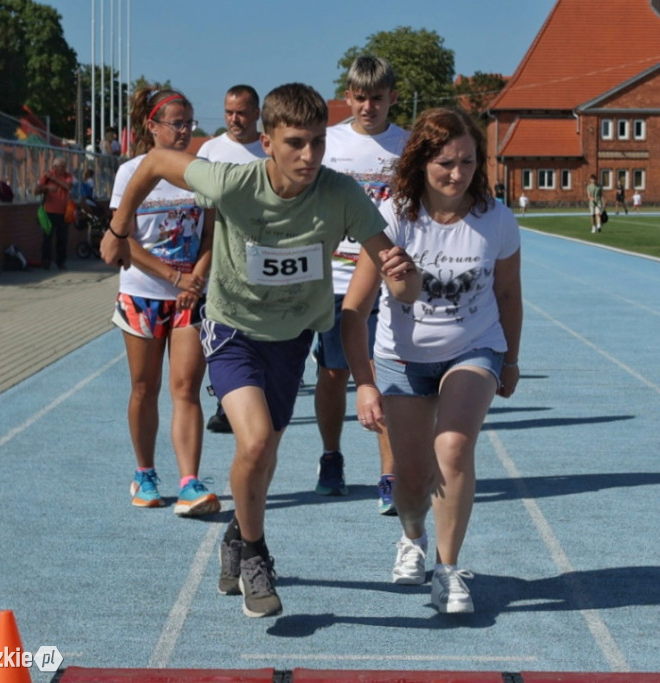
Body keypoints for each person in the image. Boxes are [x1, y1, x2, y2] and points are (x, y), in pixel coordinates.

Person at [101, 83, 421, 618]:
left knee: (263, 456)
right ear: (267, 141)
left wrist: (402, 275)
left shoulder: (341, 194)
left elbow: (392, 265)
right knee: (251, 443)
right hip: (232, 331)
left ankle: (236, 535)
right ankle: (255, 554)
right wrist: (117, 227)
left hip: (292, 340)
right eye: (295, 143)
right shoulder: (232, 181)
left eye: (317, 142)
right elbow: (155, 160)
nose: (309, 156)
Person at [341, 107, 522, 614]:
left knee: (454, 446)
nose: (456, 173)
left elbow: (509, 294)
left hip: (474, 346)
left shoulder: (497, 221)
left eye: (467, 162)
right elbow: (354, 310)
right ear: (421, 162)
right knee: (413, 480)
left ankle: (448, 569)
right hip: (401, 358)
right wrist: (366, 384)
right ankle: (412, 537)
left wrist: (510, 359)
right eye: (445, 162)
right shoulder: (395, 218)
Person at [109, 88, 219, 518]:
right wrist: (174, 277)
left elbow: (212, 233)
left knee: (187, 388)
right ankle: (144, 472)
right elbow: (123, 241)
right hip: (143, 294)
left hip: (192, 297)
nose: (185, 131)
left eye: (189, 122)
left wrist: (198, 276)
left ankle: (189, 482)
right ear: (152, 127)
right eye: (177, 123)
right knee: (144, 387)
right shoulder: (130, 172)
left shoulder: (204, 171)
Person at [314, 55, 408, 513]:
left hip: (388, 281)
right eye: (360, 97)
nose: (368, 106)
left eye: (377, 98)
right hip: (336, 278)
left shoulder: (408, 147)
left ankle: (389, 474)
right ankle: (331, 457)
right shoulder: (328, 143)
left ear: (392, 96)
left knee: (386, 375)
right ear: (347, 96)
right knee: (333, 374)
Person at [196, 84, 266, 435]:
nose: (234, 119)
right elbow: (205, 212)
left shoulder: (269, 150)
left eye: (241, 112)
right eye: (228, 112)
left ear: (256, 113)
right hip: (223, 260)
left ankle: (261, 393)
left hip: (264, 256)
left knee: (261, 333)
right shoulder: (210, 150)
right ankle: (226, 401)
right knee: (224, 331)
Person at [35, 156, 72, 269]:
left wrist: (54, 179)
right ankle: (46, 261)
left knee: (62, 239)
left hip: (63, 212)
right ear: (55, 167)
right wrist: (47, 187)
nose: (64, 169)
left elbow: (68, 186)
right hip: (49, 211)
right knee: (47, 238)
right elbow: (36, 190)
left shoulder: (67, 176)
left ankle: (61, 262)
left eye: (65, 166)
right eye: (62, 166)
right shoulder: (47, 177)